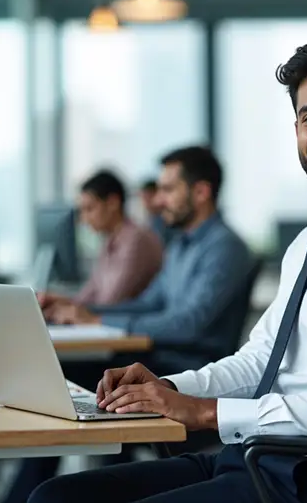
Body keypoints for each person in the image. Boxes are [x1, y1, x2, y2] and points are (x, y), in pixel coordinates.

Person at [27, 35, 307, 503]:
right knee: (54, 498)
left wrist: (206, 412)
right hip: (255, 456)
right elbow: (258, 361)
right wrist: (168, 387)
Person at [41, 146, 252, 376]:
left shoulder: (225, 247)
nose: (158, 200)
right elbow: (147, 303)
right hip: (158, 358)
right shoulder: (181, 245)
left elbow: (188, 325)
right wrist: (81, 310)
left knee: (58, 370)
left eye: (168, 190)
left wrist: (98, 319)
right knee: (53, 367)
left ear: (201, 192)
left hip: (190, 371)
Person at [44, 170, 163, 307]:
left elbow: (110, 302)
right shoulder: (110, 241)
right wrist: (59, 302)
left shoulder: (137, 240)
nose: (84, 219)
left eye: (89, 209)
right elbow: (89, 294)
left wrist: (71, 308)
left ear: (113, 203)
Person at [139, 179, 174, 245]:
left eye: (148, 196)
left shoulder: (168, 218)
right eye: (143, 197)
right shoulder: (149, 218)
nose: (145, 201)